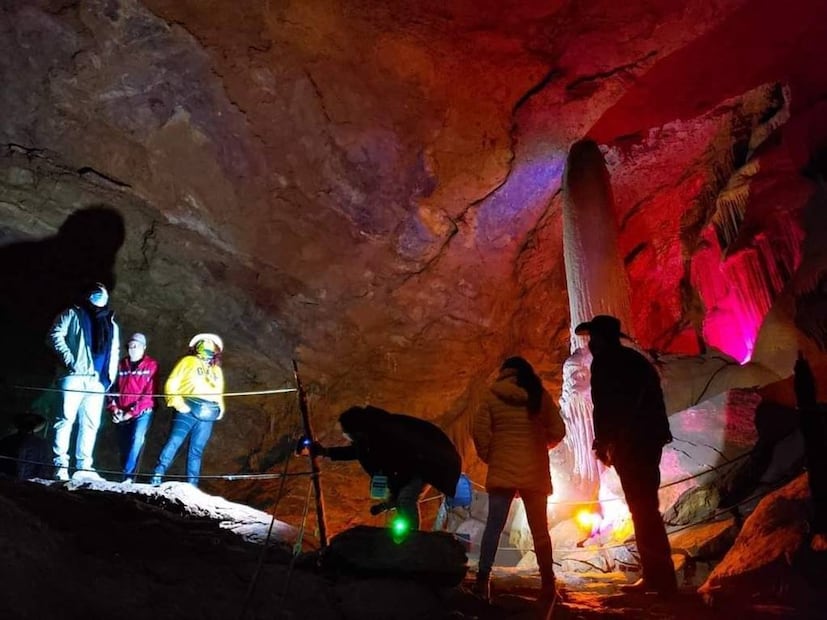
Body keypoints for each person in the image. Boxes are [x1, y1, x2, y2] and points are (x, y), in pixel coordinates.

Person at [574, 314, 677, 596]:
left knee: (642, 508)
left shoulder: (606, 363)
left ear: (601, 339)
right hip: (649, 441)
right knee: (646, 507)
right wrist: (658, 434)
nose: (590, 344)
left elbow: (607, 406)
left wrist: (603, 443)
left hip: (630, 443)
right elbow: (654, 400)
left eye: (593, 338)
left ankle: (659, 578)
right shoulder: (637, 361)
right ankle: (659, 575)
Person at [472, 356, 566, 603]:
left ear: (504, 372)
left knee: (493, 527)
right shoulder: (538, 395)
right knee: (540, 531)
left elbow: (479, 431)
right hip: (534, 469)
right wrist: (541, 445)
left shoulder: (492, 395)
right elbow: (558, 430)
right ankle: (548, 584)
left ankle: (482, 581)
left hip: (502, 469)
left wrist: (492, 456)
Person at [312, 405, 461, 530]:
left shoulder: (387, 434)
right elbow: (358, 451)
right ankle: (408, 534)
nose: (349, 439)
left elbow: (401, 463)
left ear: (358, 432)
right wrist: (326, 452)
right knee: (402, 497)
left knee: (406, 498)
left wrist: (394, 494)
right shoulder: (371, 435)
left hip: (432, 461)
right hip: (419, 461)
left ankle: (413, 539)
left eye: (349, 435)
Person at [48, 282, 119, 481]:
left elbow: (113, 351)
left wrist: (108, 378)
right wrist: (71, 362)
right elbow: (54, 335)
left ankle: (84, 467)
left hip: (97, 381)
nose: (100, 296)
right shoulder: (72, 313)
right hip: (74, 377)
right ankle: (60, 465)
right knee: (64, 420)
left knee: (90, 424)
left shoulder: (110, 323)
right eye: (96, 293)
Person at [151, 334, 225, 487]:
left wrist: (220, 408)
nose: (206, 345)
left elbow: (218, 392)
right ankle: (158, 473)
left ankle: (192, 484)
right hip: (187, 407)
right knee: (174, 441)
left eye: (210, 344)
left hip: (208, 414)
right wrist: (177, 402)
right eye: (203, 343)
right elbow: (172, 382)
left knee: (197, 449)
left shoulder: (216, 371)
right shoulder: (188, 361)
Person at [106, 332, 158, 483]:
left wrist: (131, 412)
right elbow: (111, 388)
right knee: (124, 444)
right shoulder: (121, 365)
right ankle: (126, 474)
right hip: (122, 411)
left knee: (136, 440)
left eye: (136, 346)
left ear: (144, 347)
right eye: (130, 346)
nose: (133, 349)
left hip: (142, 412)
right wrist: (114, 409)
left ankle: (128, 477)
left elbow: (149, 394)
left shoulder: (151, 365)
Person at [0, 413, 52, 480]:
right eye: (25, 423)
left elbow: (45, 467)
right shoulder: (7, 441)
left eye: (30, 424)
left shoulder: (41, 444)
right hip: (8, 481)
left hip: (29, 483)